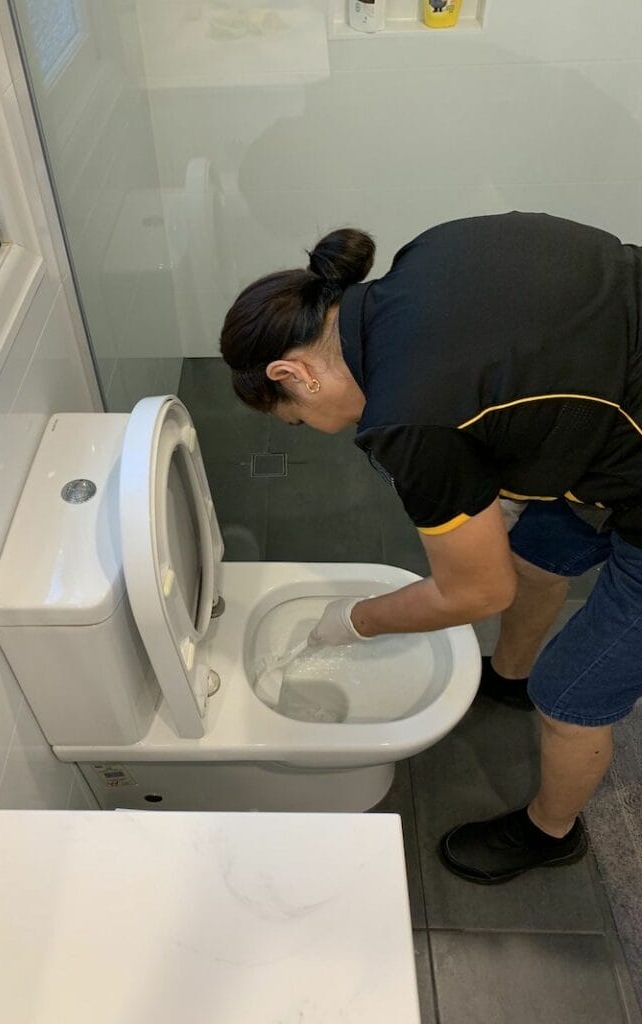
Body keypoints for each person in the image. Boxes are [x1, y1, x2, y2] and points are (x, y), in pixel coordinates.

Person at [219, 212, 642, 885]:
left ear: (293, 373)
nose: (315, 429)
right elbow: (527, 369)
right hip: (617, 408)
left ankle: (549, 834)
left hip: (626, 442)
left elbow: (478, 592)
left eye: (295, 416)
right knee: (535, 554)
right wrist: (502, 486)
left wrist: (354, 620)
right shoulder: (426, 257)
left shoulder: (408, 421)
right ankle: (507, 682)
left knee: (571, 696)